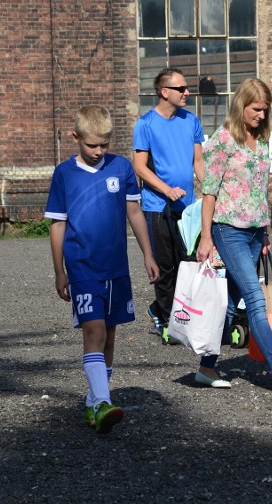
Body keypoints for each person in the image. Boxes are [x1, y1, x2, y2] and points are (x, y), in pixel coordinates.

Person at [45, 105, 160, 432]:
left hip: (116, 269)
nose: (98, 151)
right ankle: (104, 401)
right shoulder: (64, 174)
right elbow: (57, 225)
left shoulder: (122, 168)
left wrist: (147, 254)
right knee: (94, 331)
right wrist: (59, 270)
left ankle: (95, 402)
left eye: (104, 145)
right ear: (76, 138)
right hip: (82, 268)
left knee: (109, 336)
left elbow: (135, 213)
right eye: (91, 145)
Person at [195, 78, 272, 393]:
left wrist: (266, 233)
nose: (261, 115)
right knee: (255, 300)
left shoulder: (260, 141)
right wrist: (206, 237)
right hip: (227, 229)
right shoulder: (223, 139)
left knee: (230, 305)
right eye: (256, 109)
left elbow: (260, 191)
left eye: (264, 110)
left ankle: (206, 367)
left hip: (255, 232)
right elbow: (209, 191)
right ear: (241, 105)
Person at [132, 67, 205, 344]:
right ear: (165, 92)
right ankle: (165, 318)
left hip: (187, 207)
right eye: (181, 88)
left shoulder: (191, 121)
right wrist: (166, 189)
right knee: (165, 268)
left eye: (186, 88)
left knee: (188, 265)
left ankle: (180, 315)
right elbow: (139, 167)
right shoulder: (145, 124)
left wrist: (210, 191)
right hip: (157, 206)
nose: (187, 93)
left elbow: (198, 163)